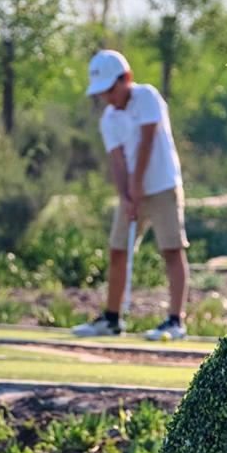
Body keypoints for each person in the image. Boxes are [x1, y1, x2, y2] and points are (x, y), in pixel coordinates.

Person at [73, 49, 191, 341]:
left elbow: (148, 141)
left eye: (110, 90)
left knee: (172, 250)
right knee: (117, 250)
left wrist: (137, 185)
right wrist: (125, 196)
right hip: (132, 193)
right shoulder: (108, 119)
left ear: (126, 78)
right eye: (102, 93)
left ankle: (175, 321)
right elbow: (117, 161)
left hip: (163, 187)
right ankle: (112, 319)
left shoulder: (147, 96)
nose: (107, 97)